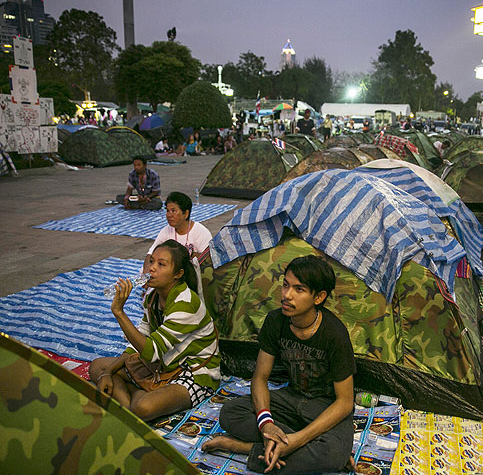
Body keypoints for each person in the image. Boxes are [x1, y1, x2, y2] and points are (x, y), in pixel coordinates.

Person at [202, 255, 356, 474]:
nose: (286, 295)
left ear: (319, 297)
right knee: (230, 412)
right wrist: (267, 424)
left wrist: (297, 440)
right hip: (290, 400)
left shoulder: (334, 334)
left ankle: (246, 448)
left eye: (299, 289)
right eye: (285, 285)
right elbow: (260, 378)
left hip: (324, 406)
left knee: (331, 454)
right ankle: (288, 444)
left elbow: (344, 402)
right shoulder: (276, 321)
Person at [89, 240, 221, 421]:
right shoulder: (152, 297)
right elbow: (138, 341)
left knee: (143, 407)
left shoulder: (186, 303)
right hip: (162, 365)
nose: (151, 268)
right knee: (98, 367)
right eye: (151, 261)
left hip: (192, 373)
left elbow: (150, 351)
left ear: (178, 274)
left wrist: (119, 313)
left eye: (161, 264)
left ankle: (132, 401)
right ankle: (131, 405)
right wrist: (107, 372)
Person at [143, 191, 212, 274]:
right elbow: (150, 254)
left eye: (173, 211)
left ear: (186, 214)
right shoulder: (166, 231)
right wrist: (146, 275)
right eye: (167, 211)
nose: (169, 215)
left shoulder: (201, 232)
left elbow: (208, 261)